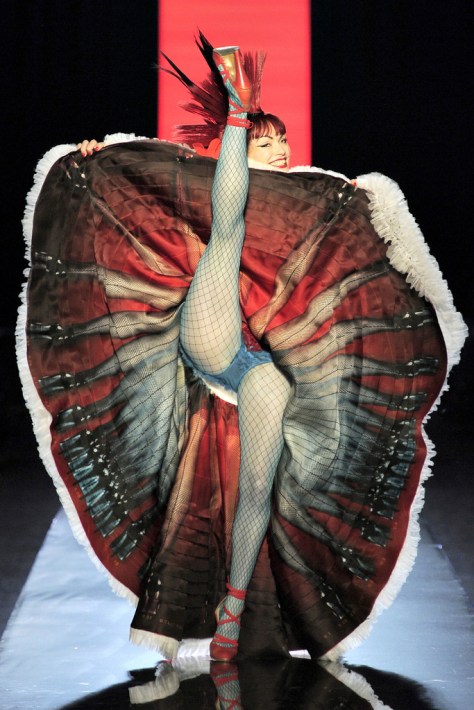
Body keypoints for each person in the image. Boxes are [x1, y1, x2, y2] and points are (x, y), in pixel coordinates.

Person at [18, 35, 466, 664]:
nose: (281, 151)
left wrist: (364, 205)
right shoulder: (214, 186)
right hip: (212, 337)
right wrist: (99, 159)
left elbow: (348, 251)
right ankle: (236, 109)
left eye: (282, 141)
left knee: (259, 489)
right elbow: (152, 180)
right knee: (229, 223)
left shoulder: (310, 198)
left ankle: (230, 612)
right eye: (266, 143)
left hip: (267, 368)